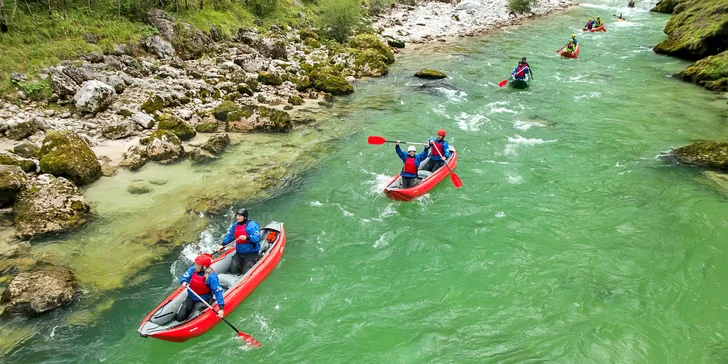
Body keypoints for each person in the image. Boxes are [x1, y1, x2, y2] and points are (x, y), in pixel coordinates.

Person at [176, 254, 225, 322]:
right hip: (191, 296)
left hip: (203, 300)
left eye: (197, 265)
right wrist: (184, 281)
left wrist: (221, 308)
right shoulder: (193, 269)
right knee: (179, 317)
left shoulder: (211, 276)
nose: (195, 266)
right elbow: (185, 276)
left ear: (203, 267)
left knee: (191, 319)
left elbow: (218, 291)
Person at [218, 208, 262, 275]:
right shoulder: (235, 225)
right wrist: (223, 244)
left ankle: (257, 258)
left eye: (240, 216)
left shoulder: (252, 225)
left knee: (246, 271)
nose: (237, 217)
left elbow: (257, 237)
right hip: (239, 253)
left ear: (244, 217)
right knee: (233, 271)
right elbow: (230, 236)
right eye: (237, 215)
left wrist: (247, 237)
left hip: (251, 254)